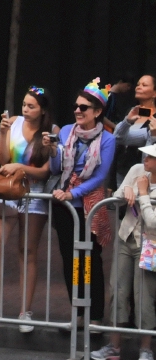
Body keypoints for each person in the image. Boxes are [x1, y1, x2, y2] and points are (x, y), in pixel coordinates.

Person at [0, 87, 57, 333]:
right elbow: (3, 159)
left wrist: (21, 167)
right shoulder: (13, 123)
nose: (25, 110)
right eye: (24, 105)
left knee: (27, 250)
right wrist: (3, 133)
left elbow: (47, 170)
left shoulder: (51, 132)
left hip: (35, 192)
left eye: (31, 106)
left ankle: (25, 311)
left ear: (43, 110)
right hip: (9, 189)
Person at [51, 79, 115, 339]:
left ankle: (95, 316)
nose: (78, 111)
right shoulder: (66, 131)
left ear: (97, 112)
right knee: (70, 261)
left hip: (88, 206)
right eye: (76, 106)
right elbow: (57, 168)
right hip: (64, 206)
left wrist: (73, 193)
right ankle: (78, 314)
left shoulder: (107, 138)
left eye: (84, 108)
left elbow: (100, 176)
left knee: (90, 261)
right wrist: (51, 151)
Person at [92, 144, 156, 360]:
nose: (145, 158)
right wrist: (125, 191)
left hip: (150, 244)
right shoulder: (137, 170)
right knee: (117, 290)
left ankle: (146, 349)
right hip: (125, 236)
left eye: (151, 156)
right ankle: (114, 345)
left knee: (144, 295)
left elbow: (153, 223)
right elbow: (117, 198)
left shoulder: (146, 183)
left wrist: (143, 194)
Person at [111, 73, 155, 185]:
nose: (138, 87)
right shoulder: (132, 112)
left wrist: (154, 135)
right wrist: (127, 121)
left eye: (144, 85)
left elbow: (150, 143)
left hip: (143, 174)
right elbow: (117, 139)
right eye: (138, 84)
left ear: (154, 93)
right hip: (122, 170)